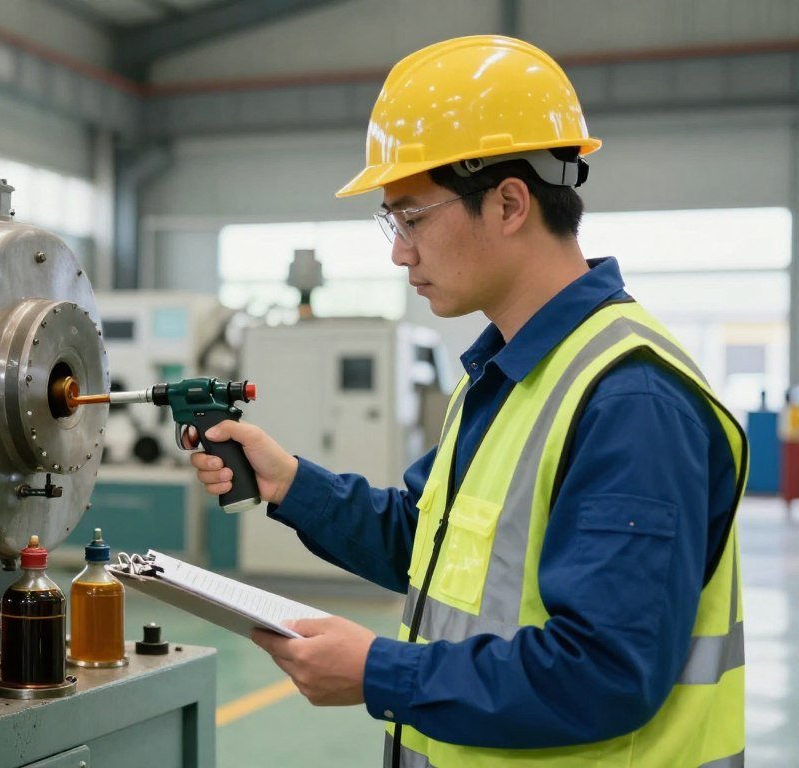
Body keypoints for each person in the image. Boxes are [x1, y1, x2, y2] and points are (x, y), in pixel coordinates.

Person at [189, 36, 746, 767]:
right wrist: (291, 482)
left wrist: (377, 672)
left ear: (509, 202)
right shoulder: (508, 375)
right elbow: (429, 545)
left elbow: (607, 670)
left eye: (411, 219)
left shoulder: (629, 399)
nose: (398, 252)